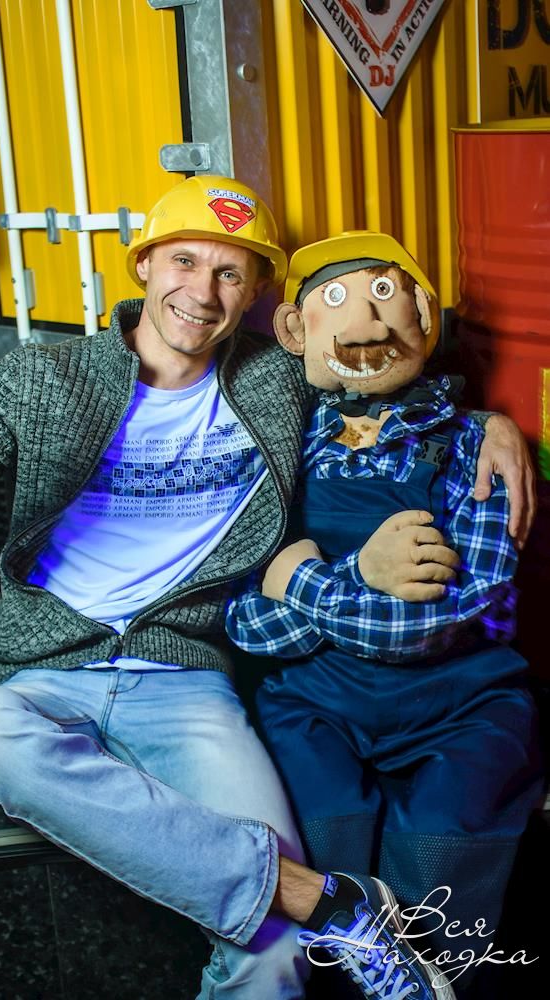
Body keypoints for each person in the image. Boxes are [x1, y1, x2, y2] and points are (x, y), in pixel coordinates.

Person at [0, 178, 534, 1000]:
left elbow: (382, 370)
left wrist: (492, 425)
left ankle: (302, 908)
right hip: (46, 669)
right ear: (144, 265)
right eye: (184, 261)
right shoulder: (43, 378)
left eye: (230, 273)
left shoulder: (274, 380)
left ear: (257, 293)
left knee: (275, 953)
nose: (202, 290)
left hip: (187, 683)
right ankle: (323, 899)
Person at [226, 232, 543, 994]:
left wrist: (302, 582)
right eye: (336, 302)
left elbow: (428, 620)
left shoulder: (471, 447)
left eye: (382, 296)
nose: (364, 323)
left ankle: (439, 983)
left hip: (459, 702)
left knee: (442, 847)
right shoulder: (277, 444)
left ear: (424, 318)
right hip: (315, 704)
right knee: (318, 834)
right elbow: (237, 617)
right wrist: (359, 577)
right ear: (296, 331)